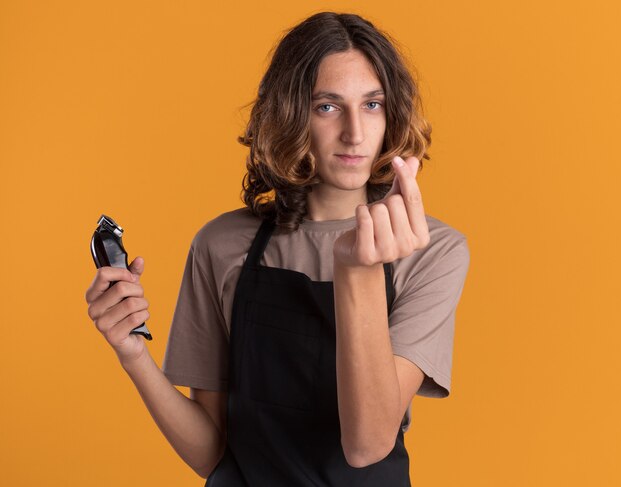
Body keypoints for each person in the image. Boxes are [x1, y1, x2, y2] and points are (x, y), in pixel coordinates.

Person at [84, 11, 470, 486]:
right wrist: (132, 354)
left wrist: (358, 268)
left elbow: (368, 444)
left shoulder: (430, 251)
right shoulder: (222, 244)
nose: (355, 133)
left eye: (372, 105)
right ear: (290, 114)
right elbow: (213, 453)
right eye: (327, 106)